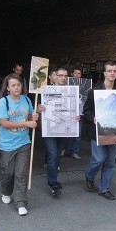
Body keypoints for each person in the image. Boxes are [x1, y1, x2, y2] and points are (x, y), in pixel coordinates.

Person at [0, 73, 39, 216]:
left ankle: (21, 202)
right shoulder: (4, 102)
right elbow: (3, 123)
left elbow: (30, 117)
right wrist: (25, 123)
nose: (16, 87)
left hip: (23, 142)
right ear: (7, 88)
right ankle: (6, 191)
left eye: (18, 85)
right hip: (7, 144)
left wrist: (34, 117)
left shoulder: (26, 100)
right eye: (13, 85)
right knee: (8, 172)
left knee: (21, 174)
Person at [82, 61, 116, 200]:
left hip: (114, 131)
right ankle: (89, 175)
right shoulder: (94, 91)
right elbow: (86, 110)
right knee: (98, 159)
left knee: (110, 161)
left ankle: (104, 188)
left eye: (114, 71)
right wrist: (92, 117)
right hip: (97, 131)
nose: (112, 73)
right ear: (104, 73)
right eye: (109, 71)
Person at [39, 65, 74, 198]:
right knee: (53, 154)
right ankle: (53, 183)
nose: (63, 78)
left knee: (58, 155)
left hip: (64, 128)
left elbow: (76, 109)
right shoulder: (44, 90)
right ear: (55, 76)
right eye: (61, 75)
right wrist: (38, 108)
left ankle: (53, 178)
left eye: (66, 76)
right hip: (50, 128)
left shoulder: (71, 92)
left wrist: (77, 115)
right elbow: (35, 107)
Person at [63, 66, 84, 160]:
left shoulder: (84, 85)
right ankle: (63, 149)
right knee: (66, 132)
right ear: (71, 74)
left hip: (78, 113)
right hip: (67, 112)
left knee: (78, 134)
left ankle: (74, 151)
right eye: (75, 73)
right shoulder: (65, 84)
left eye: (79, 73)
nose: (77, 75)